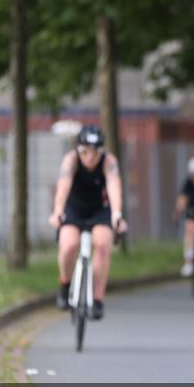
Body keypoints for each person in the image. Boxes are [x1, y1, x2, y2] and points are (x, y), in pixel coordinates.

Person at [48, 124, 127, 320]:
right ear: (78, 149)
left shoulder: (109, 162)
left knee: (102, 245)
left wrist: (117, 214)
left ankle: (98, 299)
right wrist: (58, 211)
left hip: (100, 209)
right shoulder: (71, 160)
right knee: (69, 245)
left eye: (95, 152)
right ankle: (65, 285)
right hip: (74, 208)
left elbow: (114, 186)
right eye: (85, 152)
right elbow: (63, 185)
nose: (90, 157)